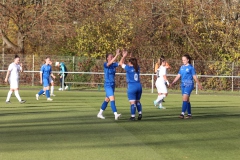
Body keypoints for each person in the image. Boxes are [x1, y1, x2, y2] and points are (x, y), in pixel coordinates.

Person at [170, 54, 202, 119]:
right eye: (182, 60)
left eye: (184, 60)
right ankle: (189, 114)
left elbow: (194, 77)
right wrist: (173, 82)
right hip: (183, 85)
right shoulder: (182, 67)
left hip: (189, 85)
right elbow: (178, 75)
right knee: (187, 100)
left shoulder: (191, 68)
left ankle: (182, 113)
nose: (183, 61)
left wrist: (199, 84)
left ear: (188, 60)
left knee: (184, 98)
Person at [97, 49, 121, 120]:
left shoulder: (113, 65)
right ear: (107, 58)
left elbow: (120, 63)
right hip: (108, 85)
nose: (112, 57)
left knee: (106, 100)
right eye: (111, 57)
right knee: (112, 98)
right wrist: (116, 55)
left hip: (113, 85)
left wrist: (124, 56)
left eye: (112, 56)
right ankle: (115, 114)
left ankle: (100, 113)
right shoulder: (105, 64)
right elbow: (108, 63)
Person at [119, 50, 143, 121]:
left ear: (130, 63)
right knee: (138, 101)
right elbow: (133, 61)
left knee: (132, 103)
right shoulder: (137, 67)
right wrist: (130, 56)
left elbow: (120, 63)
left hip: (132, 86)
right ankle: (140, 113)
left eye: (128, 62)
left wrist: (124, 56)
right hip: (139, 86)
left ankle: (133, 116)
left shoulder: (129, 68)